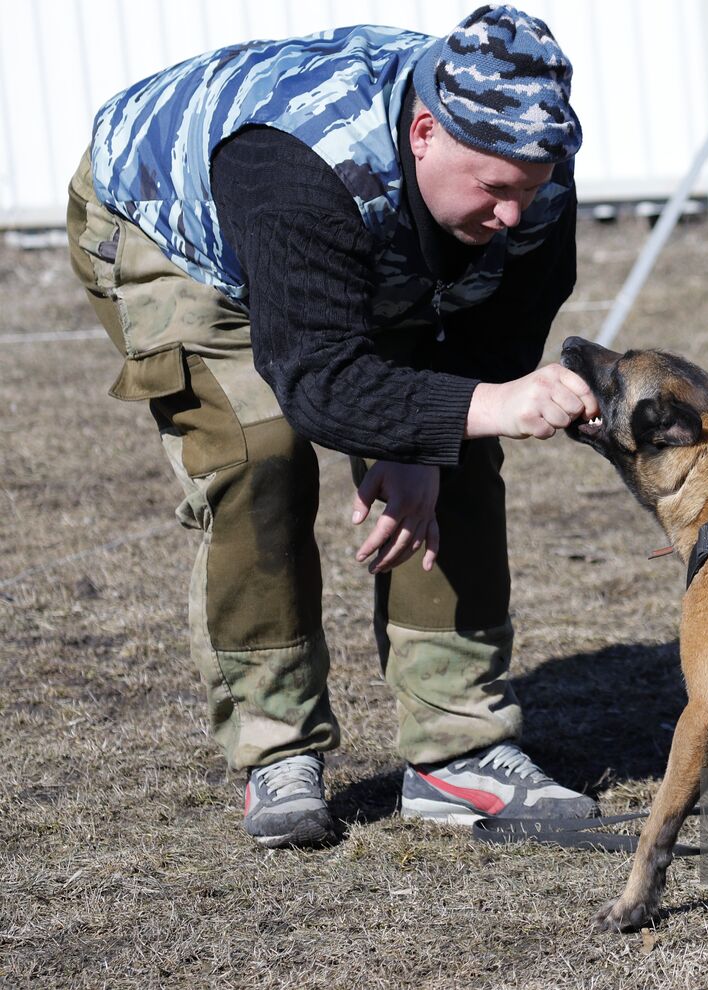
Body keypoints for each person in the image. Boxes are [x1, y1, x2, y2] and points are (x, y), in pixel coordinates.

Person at [66, 6, 603, 848]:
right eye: (494, 190)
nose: (512, 215)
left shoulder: (531, 173)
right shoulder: (299, 164)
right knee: (258, 452)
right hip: (170, 223)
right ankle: (275, 748)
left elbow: (492, 338)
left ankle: (459, 750)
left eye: (528, 190)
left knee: (455, 454)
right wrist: (482, 407)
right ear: (425, 131)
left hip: (355, 236)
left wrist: (426, 442)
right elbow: (317, 379)